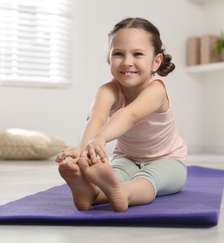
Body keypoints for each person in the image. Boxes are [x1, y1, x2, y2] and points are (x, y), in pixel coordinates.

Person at [55, 17, 187, 212]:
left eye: (137, 54)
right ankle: (91, 193)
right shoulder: (107, 90)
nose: (127, 62)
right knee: (112, 176)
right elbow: (96, 118)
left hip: (167, 160)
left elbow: (130, 114)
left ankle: (123, 194)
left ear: (156, 61)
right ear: (109, 58)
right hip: (126, 158)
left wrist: (100, 138)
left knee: (148, 180)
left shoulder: (156, 90)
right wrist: (83, 151)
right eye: (118, 54)